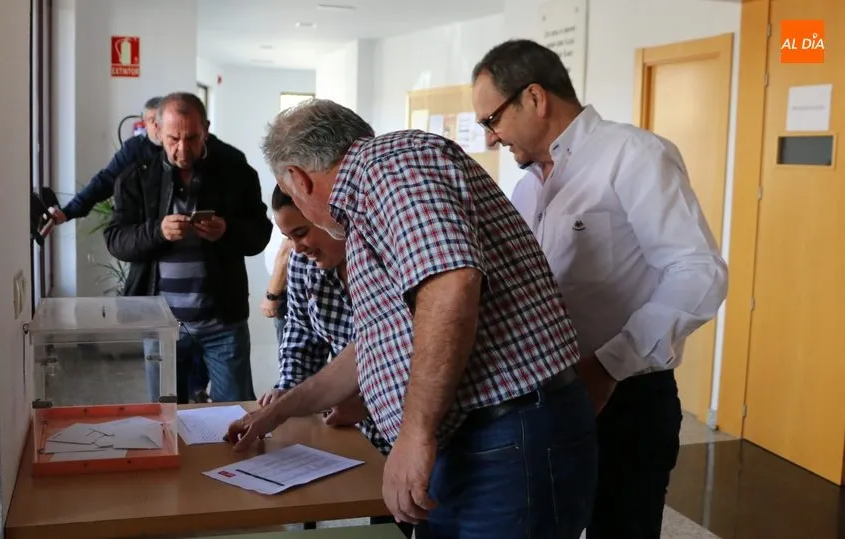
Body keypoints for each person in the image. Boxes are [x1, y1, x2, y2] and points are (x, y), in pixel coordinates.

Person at [227, 98, 598, 539]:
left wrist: (413, 434)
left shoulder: (390, 166)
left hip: (507, 432)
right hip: (477, 438)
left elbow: (451, 284)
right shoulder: (365, 204)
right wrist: (279, 411)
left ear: (299, 180)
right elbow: (375, 343)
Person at [470, 39, 729, 539]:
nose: (490, 137)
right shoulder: (528, 188)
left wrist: (608, 365)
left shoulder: (632, 155)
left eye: (492, 120)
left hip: (628, 399)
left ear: (535, 98)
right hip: (549, 397)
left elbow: (698, 272)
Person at [259, 185, 414, 538]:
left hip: (410, 424)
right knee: (382, 511)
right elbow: (301, 334)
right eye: (287, 237)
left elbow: (417, 354)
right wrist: (289, 390)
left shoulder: (386, 261)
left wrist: (370, 405)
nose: (296, 248)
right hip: (358, 431)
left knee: (410, 512)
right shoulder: (303, 264)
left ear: (330, 218)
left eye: (301, 232)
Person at [104, 92, 272, 404]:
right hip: (161, 325)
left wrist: (227, 230)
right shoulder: (137, 175)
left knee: (234, 415)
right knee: (168, 420)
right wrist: (157, 232)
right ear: (156, 128)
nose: (182, 149)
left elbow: (260, 234)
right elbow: (116, 240)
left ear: (206, 128)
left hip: (223, 320)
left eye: (192, 138)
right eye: (173, 139)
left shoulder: (234, 169)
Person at [50, 96, 163, 224]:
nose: (157, 125)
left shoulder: (183, 147)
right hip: (143, 227)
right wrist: (67, 212)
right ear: (144, 123)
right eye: (151, 120)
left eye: (160, 120)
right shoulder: (134, 149)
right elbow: (106, 180)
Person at [260, 237, 293, 342]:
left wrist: (272, 294)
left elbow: (290, 244)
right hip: (287, 286)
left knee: (291, 353)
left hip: (290, 288)